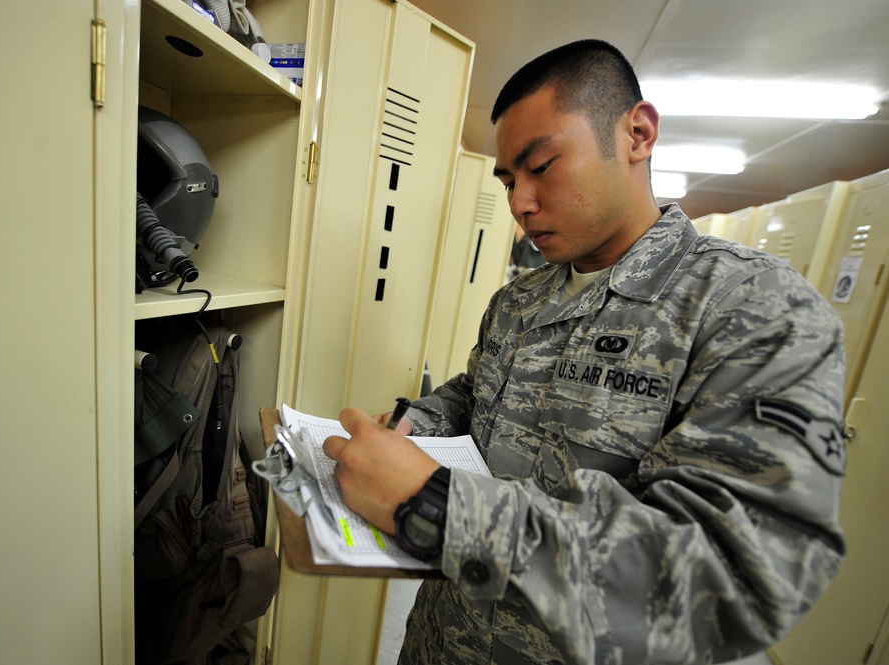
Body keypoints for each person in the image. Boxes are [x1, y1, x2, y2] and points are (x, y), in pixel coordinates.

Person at [322, 39, 847, 665]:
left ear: (637, 133)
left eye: (540, 167)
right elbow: (475, 392)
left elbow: (732, 575)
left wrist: (435, 502)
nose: (519, 203)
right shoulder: (519, 300)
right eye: (509, 180)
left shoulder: (755, 309)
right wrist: (419, 423)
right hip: (443, 641)